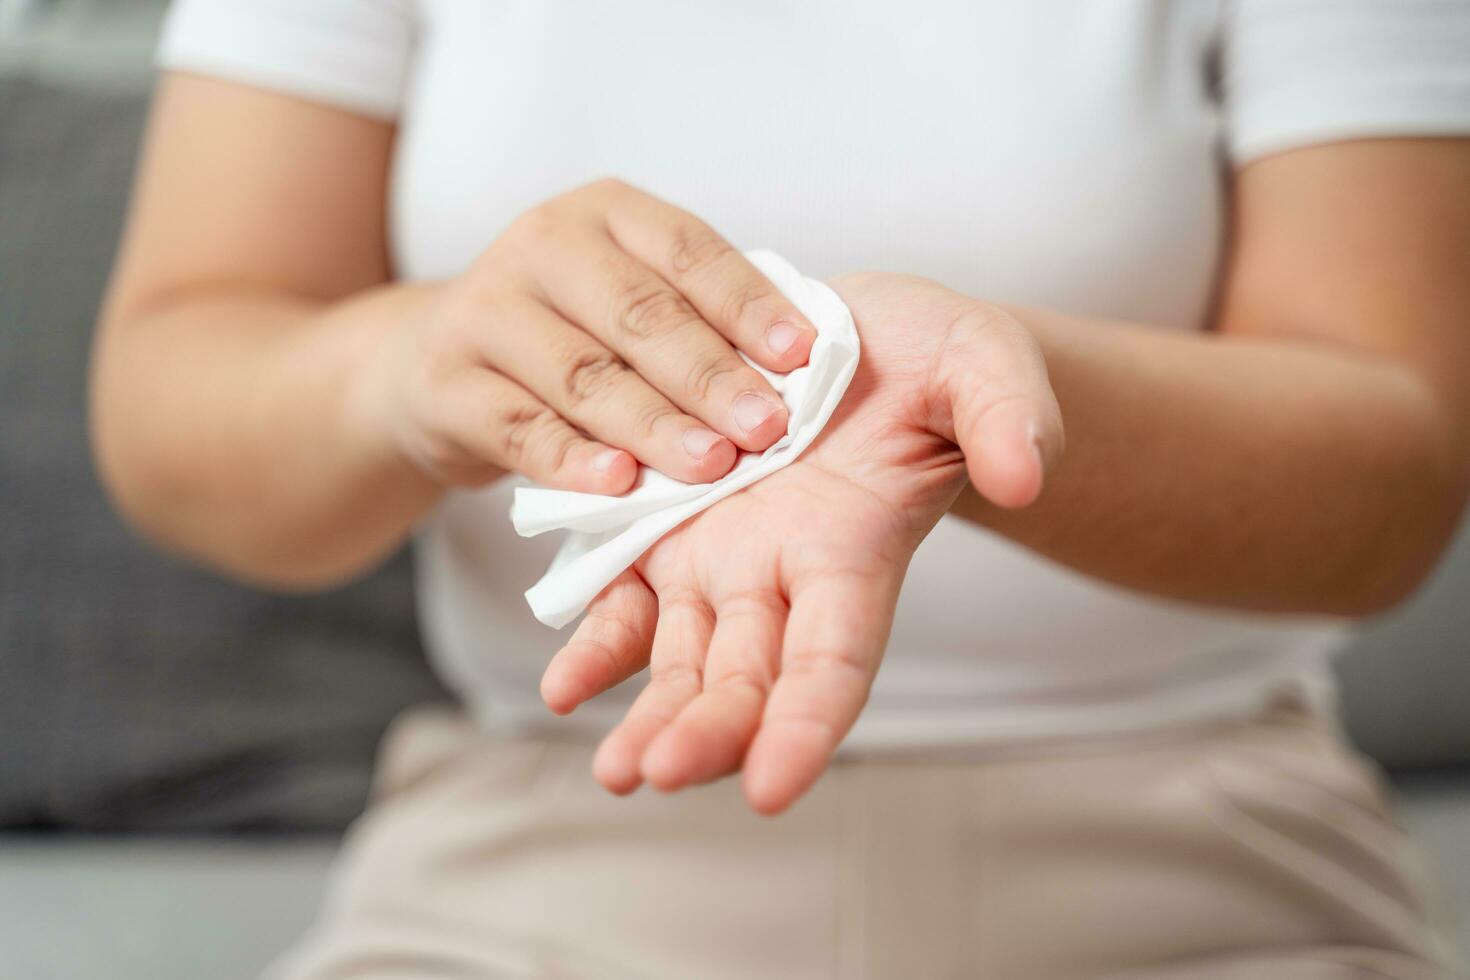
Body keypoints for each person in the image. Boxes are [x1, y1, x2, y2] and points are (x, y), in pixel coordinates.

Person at [91, 1, 1470, 976]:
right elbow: (175, 404)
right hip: (545, 863)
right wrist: (405, 362)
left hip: (1208, 879)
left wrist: (984, 395)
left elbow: (1390, 485)